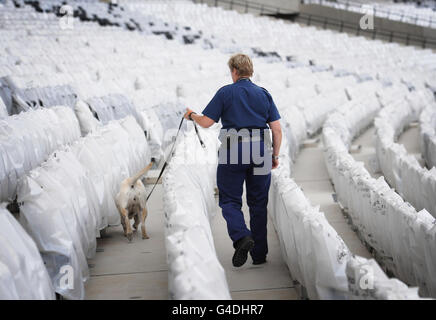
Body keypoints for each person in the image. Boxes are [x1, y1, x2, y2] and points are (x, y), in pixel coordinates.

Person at [183, 53, 282, 267]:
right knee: (258, 203)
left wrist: (191, 115)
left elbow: (207, 122)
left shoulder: (226, 92)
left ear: (234, 71)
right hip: (261, 148)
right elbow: (277, 129)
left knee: (229, 200)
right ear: (250, 71)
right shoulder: (264, 94)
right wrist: (274, 155)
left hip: (233, 147)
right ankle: (259, 254)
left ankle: (241, 236)